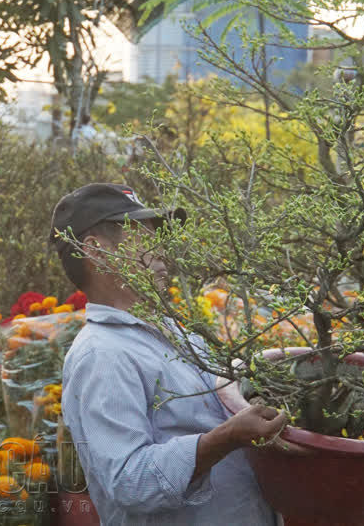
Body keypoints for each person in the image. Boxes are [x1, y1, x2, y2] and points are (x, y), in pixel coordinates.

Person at [51, 183, 289, 525]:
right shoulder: (102, 356)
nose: (160, 250)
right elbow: (129, 482)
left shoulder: (174, 332)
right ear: (97, 251)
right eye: (144, 239)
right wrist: (226, 437)